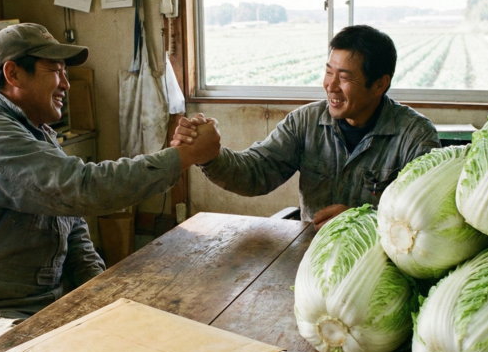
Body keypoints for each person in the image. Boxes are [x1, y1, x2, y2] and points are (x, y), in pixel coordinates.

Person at [0, 23, 219, 352]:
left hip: (43, 302)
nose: (65, 83)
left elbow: (72, 227)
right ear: (13, 74)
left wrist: (101, 293)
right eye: (55, 71)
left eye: (65, 72)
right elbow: (82, 188)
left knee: (145, 347)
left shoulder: (38, 134)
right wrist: (183, 157)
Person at [172, 24, 439, 228]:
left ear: (380, 84)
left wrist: (364, 219)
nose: (330, 86)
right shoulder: (304, 122)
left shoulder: (415, 136)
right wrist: (210, 155)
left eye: (344, 77)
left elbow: (427, 216)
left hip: (380, 259)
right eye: (328, 72)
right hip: (313, 255)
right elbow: (256, 172)